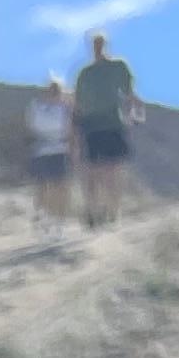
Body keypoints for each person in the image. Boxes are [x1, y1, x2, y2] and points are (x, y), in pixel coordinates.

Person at [73, 32, 140, 226]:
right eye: (95, 44)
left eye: (100, 44)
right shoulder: (85, 74)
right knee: (92, 172)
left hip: (112, 123)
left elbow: (129, 93)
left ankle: (113, 210)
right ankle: (93, 210)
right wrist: (74, 130)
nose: (98, 47)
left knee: (113, 170)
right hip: (91, 126)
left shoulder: (118, 67)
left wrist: (134, 112)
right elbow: (77, 104)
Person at [28, 73, 75, 228]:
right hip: (42, 150)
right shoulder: (37, 106)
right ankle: (43, 214)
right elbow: (32, 125)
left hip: (59, 149)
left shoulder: (65, 107)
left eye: (56, 90)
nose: (53, 92)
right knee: (43, 185)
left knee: (59, 186)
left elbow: (69, 129)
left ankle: (58, 219)